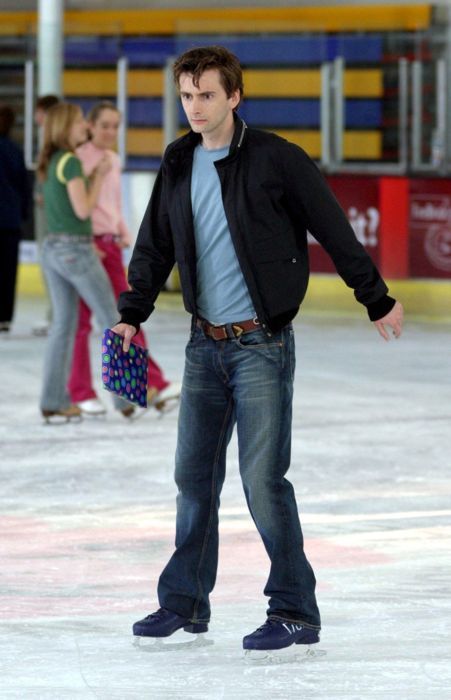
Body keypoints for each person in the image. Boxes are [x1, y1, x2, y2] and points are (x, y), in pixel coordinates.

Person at [113, 46, 404, 653]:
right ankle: (185, 604)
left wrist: (374, 297)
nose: (195, 107)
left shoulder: (276, 159)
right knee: (193, 480)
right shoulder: (177, 160)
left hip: (261, 345)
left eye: (208, 95)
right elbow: (154, 243)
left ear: (234, 96)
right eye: (187, 96)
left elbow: (333, 228)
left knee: (263, 482)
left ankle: (295, 609)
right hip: (203, 346)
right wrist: (131, 315)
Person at [67, 101, 180, 416]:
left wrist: (121, 230)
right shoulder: (78, 159)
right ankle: (129, 386)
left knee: (120, 316)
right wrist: (88, 240)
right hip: (89, 247)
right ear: (90, 126)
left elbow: (112, 203)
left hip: (111, 246)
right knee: (107, 318)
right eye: (104, 125)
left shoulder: (113, 159)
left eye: (115, 126)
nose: (109, 132)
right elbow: (79, 207)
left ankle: (138, 388)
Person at [37, 101, 132, 423]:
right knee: (113, 318)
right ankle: (125, 397)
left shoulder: (52, 161)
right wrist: (99, 177)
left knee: (63, 326)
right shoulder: (72, 161)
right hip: (76, 250)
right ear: (66, 126)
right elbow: (83, 210)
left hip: (51, 249)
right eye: (79, 121)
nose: (84, 126)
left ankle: (53, 402)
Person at [0, 104, 30, 332]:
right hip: (10, 220)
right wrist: (24, 214)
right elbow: (24, 186)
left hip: (9, 217)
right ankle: (5, 317)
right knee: (8, 271)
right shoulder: (15, 150)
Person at [33, 94, 60, 336]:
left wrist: (42, 193)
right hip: (48, 209)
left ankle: (56, 317)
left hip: (49, 212)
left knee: (51, 260)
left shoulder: (53, 143)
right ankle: (56, 316)